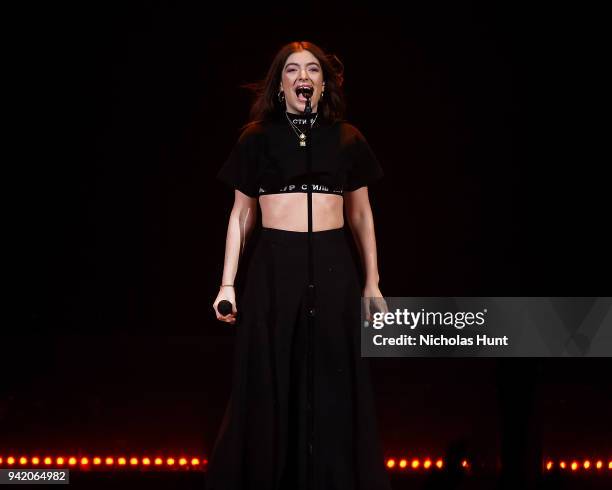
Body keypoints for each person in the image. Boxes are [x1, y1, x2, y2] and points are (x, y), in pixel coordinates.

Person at [206, 41, 391, 490]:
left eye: (312, 69)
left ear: (324, 84)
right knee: (273, 379)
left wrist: (372, 284)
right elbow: (241, 214)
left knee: (331, 382)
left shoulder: (347, 137)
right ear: (280, 84)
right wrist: (227, 283)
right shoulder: (257, 137)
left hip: (331, 268)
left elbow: (361, 215)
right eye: (292, 70)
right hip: (274, 268)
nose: (302, 76)